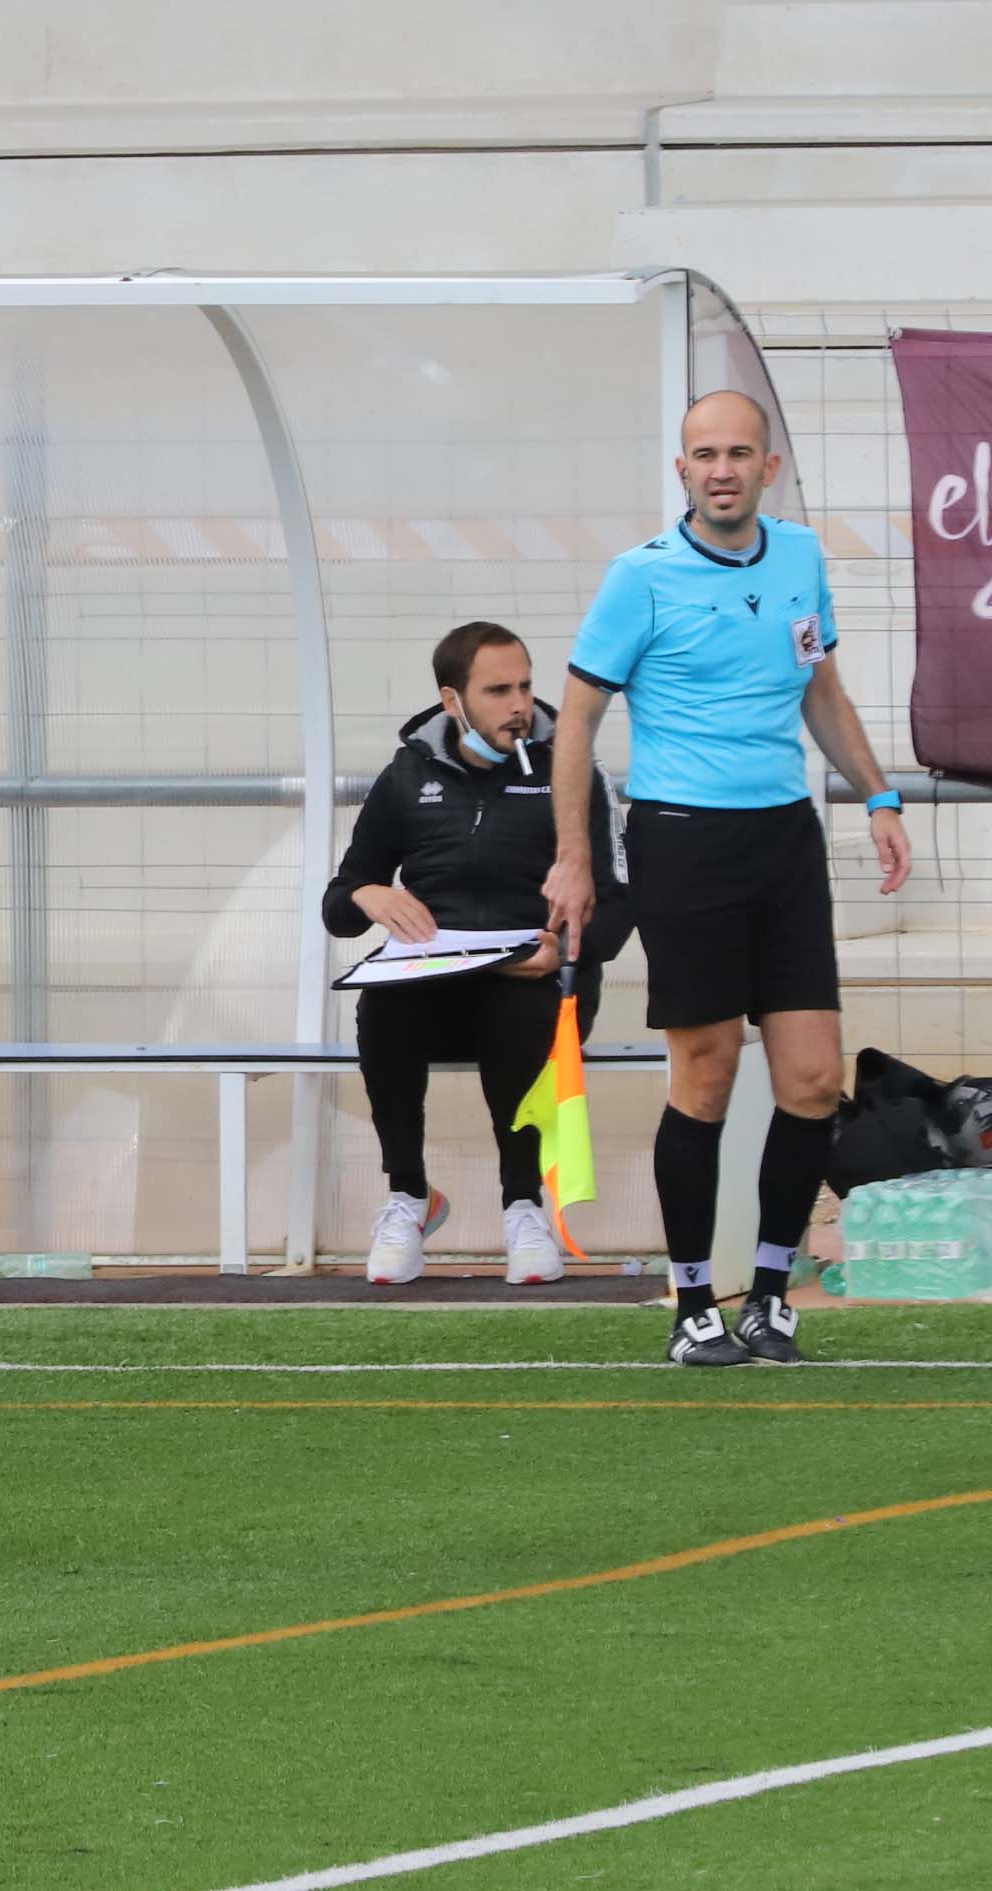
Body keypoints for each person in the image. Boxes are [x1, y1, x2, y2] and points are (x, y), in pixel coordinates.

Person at [544, 390, 915, 1367]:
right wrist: (575, 856)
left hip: (785, 842)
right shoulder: (642, 577)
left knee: (811, 1078)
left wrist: (877, 797)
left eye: (738, 452)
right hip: (683, 843)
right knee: (704, 1076)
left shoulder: (798, 557)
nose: (721, 468)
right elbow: (575, 720)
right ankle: (695, 1303)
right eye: (703, 453)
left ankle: (772, 1295)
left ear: (768, 468)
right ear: (683, 472)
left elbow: (820, 689)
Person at [325, 625, 629, 1286]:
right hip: (436, 980)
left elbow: (620, 901)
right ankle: (409, 1197)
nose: (519, 704)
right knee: (384, 1005)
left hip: (539, 977)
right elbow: (339, 906)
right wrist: (371, 893)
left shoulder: (574, 771)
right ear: (452, 700)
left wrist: (565, 949)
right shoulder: (407, 775)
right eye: (497, 691)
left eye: (524, 685)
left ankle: (523, 1205)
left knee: (516, 1007)